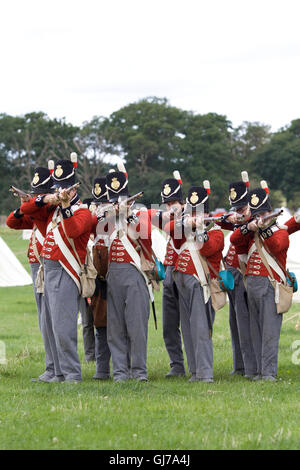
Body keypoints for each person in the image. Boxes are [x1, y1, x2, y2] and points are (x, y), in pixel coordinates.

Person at [20, 154, 93, 383]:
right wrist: (48, 199)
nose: (61, 192)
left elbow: (73, 231)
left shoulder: (82, 211)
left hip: (65, 270)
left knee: (63, 327)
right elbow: (28, 208)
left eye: (64, 189)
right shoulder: (52, 210)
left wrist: (65, 205)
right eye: (57, 189)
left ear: (73, 191)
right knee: (49, 325)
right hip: (49, 270)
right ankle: (55, 371)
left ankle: (72, 373)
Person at [97, 167, 152, 382]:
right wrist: (112, 214)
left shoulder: (139, 214)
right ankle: (120, 372)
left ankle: (139, 372)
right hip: (113, 275)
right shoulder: (106, 217)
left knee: (137, 326)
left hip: (135, 273)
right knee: (115, 327)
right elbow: (98, 232)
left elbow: (145, 239)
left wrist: (128, 217)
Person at [230, 183, 289, 381]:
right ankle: (256, 371)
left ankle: (269, 372)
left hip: (270, 285)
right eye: (257, 214)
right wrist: (250, 226)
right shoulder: (252, 232)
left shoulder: (279, 231)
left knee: (269, 333)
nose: (260, 217)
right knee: (255, 331)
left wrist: (264, 229)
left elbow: (276, 246)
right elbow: (235, 240)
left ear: (270, 212)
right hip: (252, 286)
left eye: (262, 213)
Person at [6, 165, 59, 382]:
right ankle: (51, 367)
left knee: (51, 320)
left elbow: (35, 208)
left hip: (50, 267)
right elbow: (11, 221)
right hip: (37, 266)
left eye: (40, 194)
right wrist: (23, 205)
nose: (36, 197)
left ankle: (57, 368)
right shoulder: (35, 209)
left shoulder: (48, 210)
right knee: (43, 320)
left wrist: (33, 203)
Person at [167, 183, 224, 383]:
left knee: (201, 329)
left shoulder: (215, 231)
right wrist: (186, 222)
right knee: (188, 328)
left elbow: (207, 249)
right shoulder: (184, 225)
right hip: (182, 280)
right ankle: (194, 370)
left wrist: (200, 228)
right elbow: (171, 233)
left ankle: (205, 373)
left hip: (201, 283)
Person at [218, 176, 257, 379]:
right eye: (237, 209)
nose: (239, 212)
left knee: (245, 322)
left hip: (245, 273)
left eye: (242, 209)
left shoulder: (254, 219)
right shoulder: (236, 217)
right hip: (231, 272)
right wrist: (229, 218)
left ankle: (250, 368)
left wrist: (246, 219)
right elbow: (217, 219)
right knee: (235, 323)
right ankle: (239, 365)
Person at [149, 171, 186, 378]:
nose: (169, 206)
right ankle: (177, 365)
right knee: (169, 326)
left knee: (191, 325)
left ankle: (199, 366)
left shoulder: (190, 216)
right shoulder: (166, 217)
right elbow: (149, 218)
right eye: (166, 203)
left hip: (187, 273)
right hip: (169, 272)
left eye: (173, 202)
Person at [89, 177, 112, 380]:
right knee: (100, 324)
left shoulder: (118, 217)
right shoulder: (93, 218)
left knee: (123, 326)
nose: (100, 209)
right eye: (98, 204)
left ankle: (128, 368)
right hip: (98, 278)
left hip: (118, 277)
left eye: (103, 204)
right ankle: (102, 369)